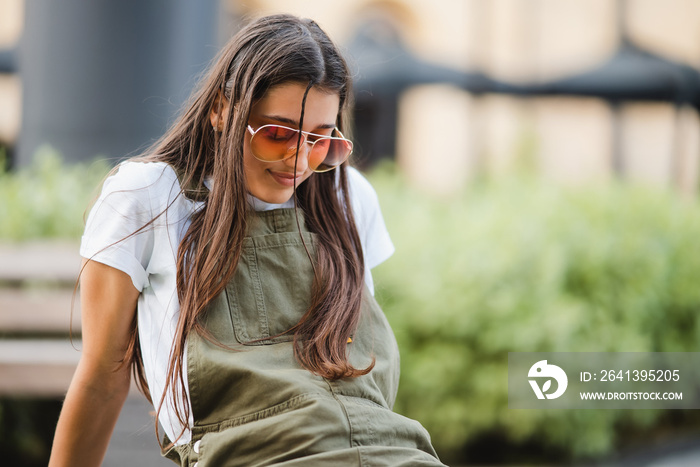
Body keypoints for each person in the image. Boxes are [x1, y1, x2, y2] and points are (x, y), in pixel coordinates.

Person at [49, 14, 445, 467]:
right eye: (278, 135)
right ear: (221, 110)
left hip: (393, 451)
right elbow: (102, 376)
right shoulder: (149, 196)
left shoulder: (348, 197)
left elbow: (361, 379)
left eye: (320, 140)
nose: (298, 160)